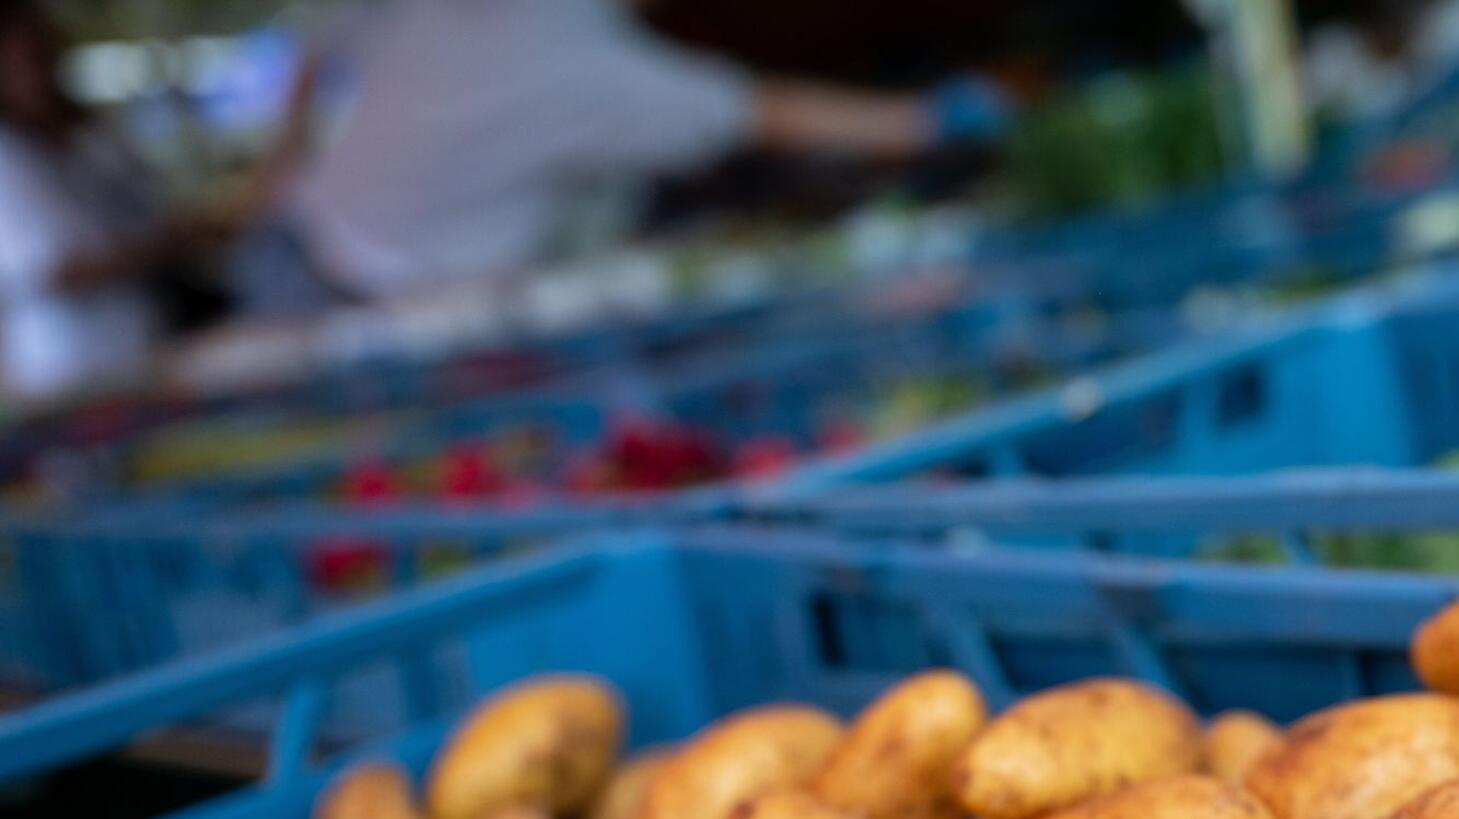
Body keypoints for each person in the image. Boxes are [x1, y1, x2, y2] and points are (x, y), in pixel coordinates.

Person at [241, 0, 1004, 311]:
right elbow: (766, 112)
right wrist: (923, 121)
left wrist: (281, 160)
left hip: (298, 240)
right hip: (372, 302)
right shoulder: (578, 69)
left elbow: (318, 38)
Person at [0, 1, 223, 397]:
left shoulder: (87, 134)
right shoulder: (10, 154)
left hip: (144, 342)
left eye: (47, 55)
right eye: (28, 61)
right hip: (71, 370)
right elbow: (56, 272)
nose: (43, 72)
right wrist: (171, 244)